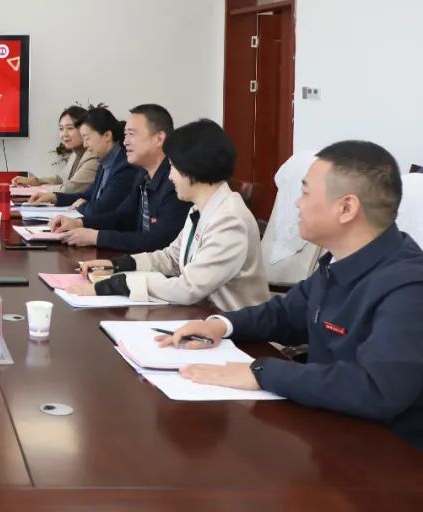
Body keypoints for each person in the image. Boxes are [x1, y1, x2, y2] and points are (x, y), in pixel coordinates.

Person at [164, 141, 423, 449]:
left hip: (389, 457)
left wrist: (262, 372)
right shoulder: (339, 261)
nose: (297, 203)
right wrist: (221, 324)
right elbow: (287, 314)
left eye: (306, 193)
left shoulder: (409, 286)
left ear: (346, 208)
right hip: (330, 433)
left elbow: (376, 389)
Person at [65, 120, 270, 311]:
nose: (170, 176)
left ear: (192, 168)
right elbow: (172, 257)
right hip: (201, 316)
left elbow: (189, 288)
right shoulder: (199, 208)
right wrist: (118, 265)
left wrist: (121, 284)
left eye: (173, 167)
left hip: (233, 327)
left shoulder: (229, 219)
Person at [49, 104, 188, 253]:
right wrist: (79, 223)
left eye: (131, 134)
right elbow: (122, 217)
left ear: (159, 138)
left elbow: (159, 241)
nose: (125, 141)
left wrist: (96, 237)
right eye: (125, 134)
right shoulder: (143, 175)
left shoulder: (176, 182)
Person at [28, 107, 136, 212]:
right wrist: (55, 197)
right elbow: (88, 195)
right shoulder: (104, 161)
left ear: (107, 135)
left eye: (87, 138)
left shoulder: (124, 166)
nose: (85, 144)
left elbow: (102, 208)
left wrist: (82, 207)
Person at [12, 106, 98, 195]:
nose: (64, 134)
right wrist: (34, 181)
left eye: (70, 128)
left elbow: (70, 189)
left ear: (85, 129)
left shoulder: (92, 156)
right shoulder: (75, 154)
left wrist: (44, 188)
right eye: (61, 129)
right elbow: (60, 179)